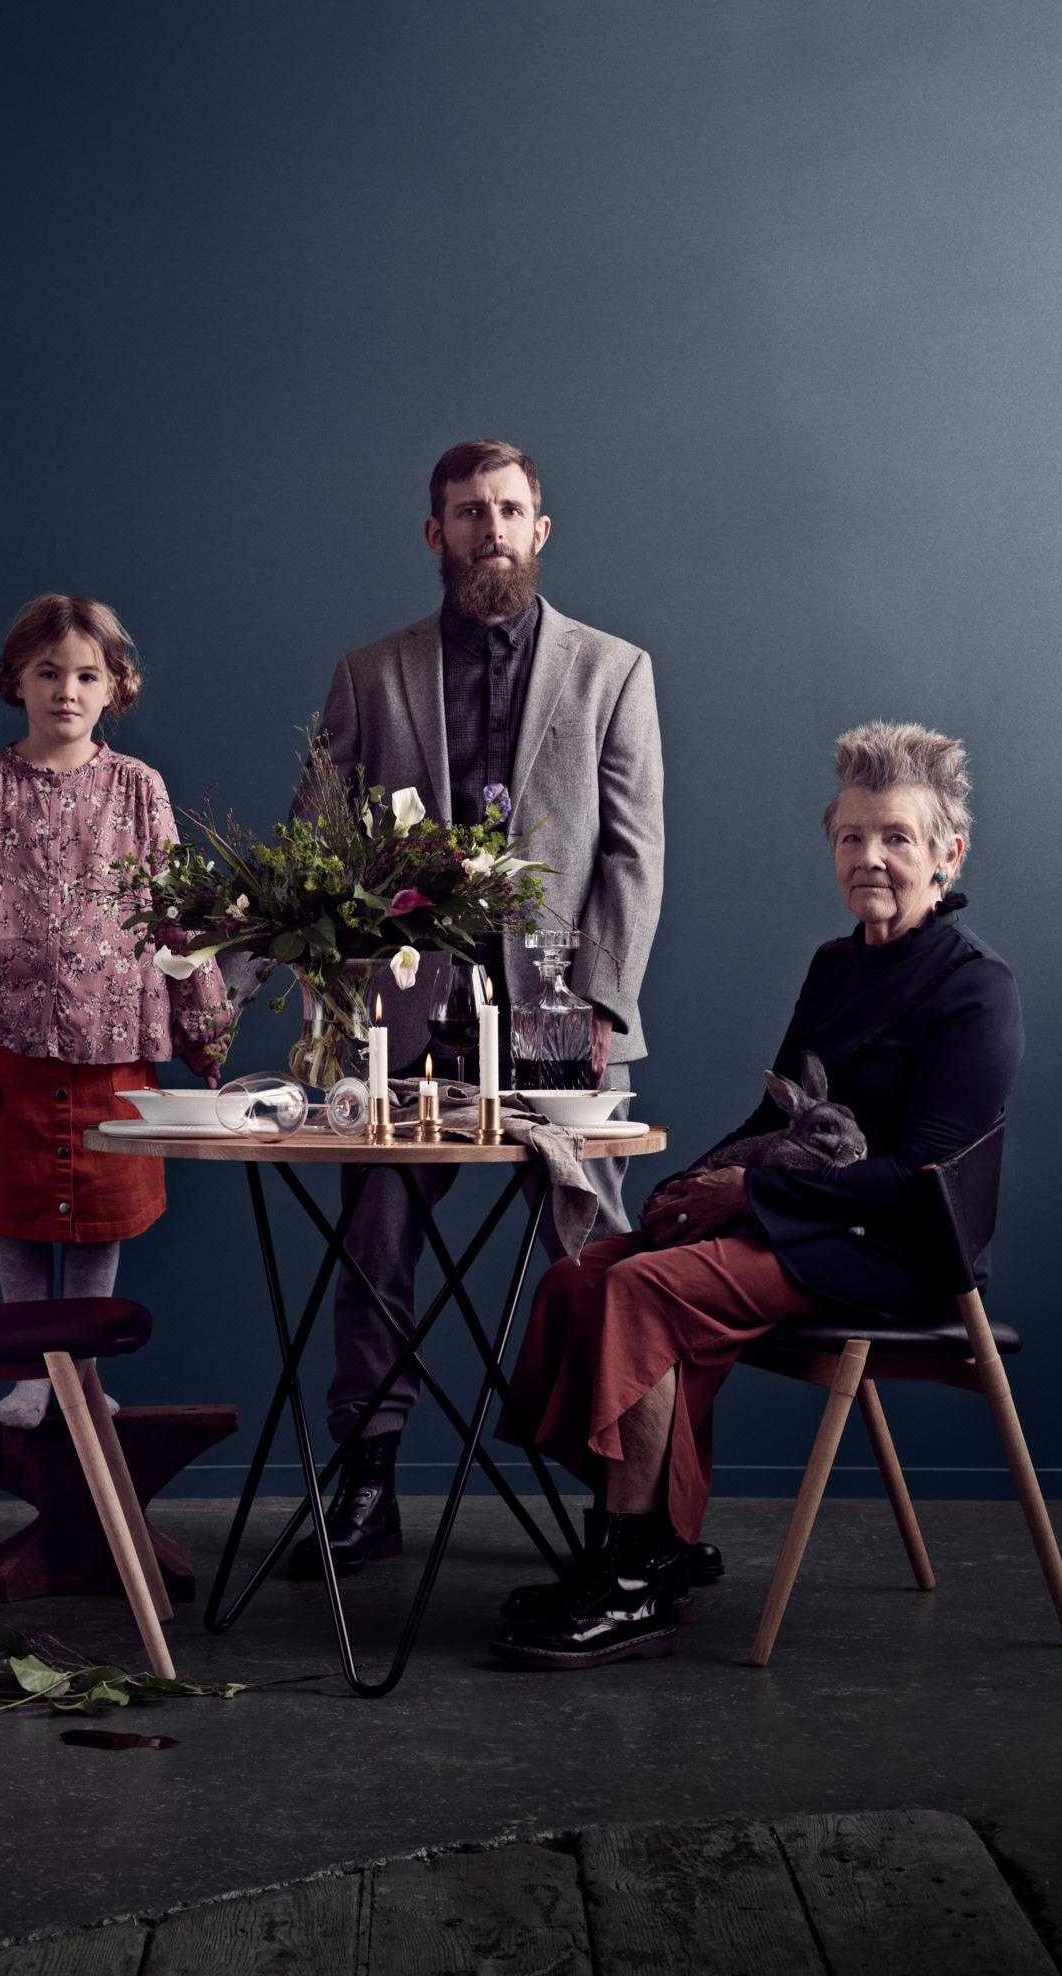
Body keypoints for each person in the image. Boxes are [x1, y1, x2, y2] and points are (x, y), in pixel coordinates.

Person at [490, 720, 1025, 1668]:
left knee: (644, 1293)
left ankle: (627, 1584)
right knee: (588, 1274)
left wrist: (747, 1197)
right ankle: (657, 1547)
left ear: (949, 852)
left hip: (892, 1251)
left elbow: (921, 1180)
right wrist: (695, 1186)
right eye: (853, 837)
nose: (871, 858)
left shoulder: (977, 987)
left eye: (897, 838)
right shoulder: (835, 965)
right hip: (801, 1223)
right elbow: (771, 1111)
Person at [290, 439, 665, 1576]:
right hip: (407, 1017)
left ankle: (622, 1497)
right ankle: (365, 1477)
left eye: (509, 509)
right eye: (467, 511)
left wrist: (600, 1001)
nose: (489, 527)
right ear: (434, 532)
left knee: (596, 1236)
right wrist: (343, 993)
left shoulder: (614, 670)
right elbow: (316, 837)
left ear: (540, 528)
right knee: (375, 1234)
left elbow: (634, 860)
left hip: (562, 1010)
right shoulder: (370, 672)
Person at [0, 594, 230, 1428]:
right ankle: (32, 1372)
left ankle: (83, 1371)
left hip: (115, 1042)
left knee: (101, 1209)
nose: (67, 689)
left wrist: (207, 1036)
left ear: (115, 688)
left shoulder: (139, 789)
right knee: (19, 1209)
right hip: (12, 1045)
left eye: (87, 675)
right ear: (16, 683)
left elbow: (179, 912)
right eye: (49, 672)